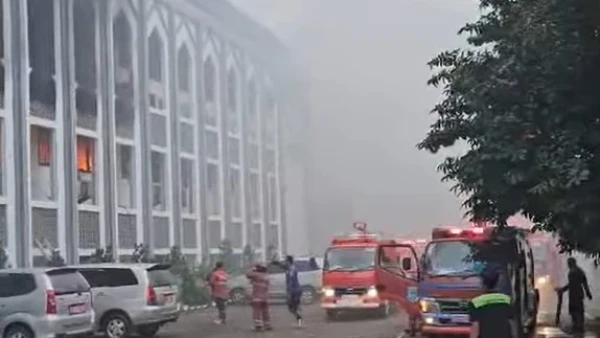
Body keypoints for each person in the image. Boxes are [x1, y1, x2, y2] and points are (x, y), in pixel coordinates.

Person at [468, 268, 517, 338]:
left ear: (483, 283)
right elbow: (512, 324)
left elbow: (476, 328)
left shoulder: (475, 303)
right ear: (497, 283)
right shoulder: (506, 300)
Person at [556, 257, 592, 334]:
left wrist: (562, 289)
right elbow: (585, 284)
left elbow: (570, 285)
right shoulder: (580, 271)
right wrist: (588, 293)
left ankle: (576, 327)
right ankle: (580, 327)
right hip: (579, 294)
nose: (568, 265)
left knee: (574, 311)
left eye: (568, 263)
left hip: (573, 295)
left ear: (571, 263)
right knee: (580, 311)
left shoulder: (572, 272)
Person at [274, 255, 303, 326]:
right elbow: (282, 266)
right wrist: (276, 262)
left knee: (292, 308)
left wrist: (289, 293)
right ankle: (299, 321)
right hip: (296, 290)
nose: (284, 262)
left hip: (294, 291)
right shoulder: (290, 267)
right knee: (293, 308)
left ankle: (299, 321)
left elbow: (291, 280)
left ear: (288, 261)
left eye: (285, 261)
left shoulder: (292, 269)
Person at [246, 263, 271, 331]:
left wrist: (252, 268)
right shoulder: (267, 276)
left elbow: (248, 274)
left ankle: (258, 326)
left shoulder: (256, 275)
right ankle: (267, 325)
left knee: (256, 312)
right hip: (265, 297)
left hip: (257, 297)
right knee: (265, 312)